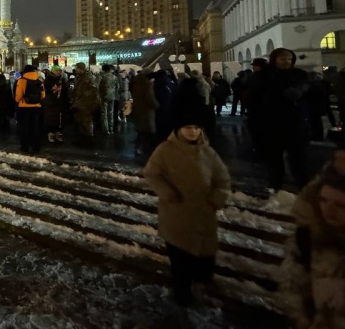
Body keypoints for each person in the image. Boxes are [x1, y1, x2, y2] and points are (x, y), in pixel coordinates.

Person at [143, 108, 231, 309]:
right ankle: (182, 293)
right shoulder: (166, 150)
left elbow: (223, 179)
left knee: (205, 254)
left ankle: (202, 281)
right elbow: (152, 173)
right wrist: (167, 193)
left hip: (204, 213)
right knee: (180, 259)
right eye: (188, 128)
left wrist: (217, 199)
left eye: (196, 128)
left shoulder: (208, 152)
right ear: (179, 129)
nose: (192, 132)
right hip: (176, 214)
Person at [280, 161, 345, 328]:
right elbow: (295, 289)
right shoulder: (308, 238)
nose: (328, 210)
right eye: (323, 200)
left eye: (340, 205)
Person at [248, 48, 310, 190]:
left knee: (299, 160)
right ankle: (275, 187)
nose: (286, 62)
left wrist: (301, 91)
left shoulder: (299, 75)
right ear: (274, 59)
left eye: (289, 59)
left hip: (296, 125)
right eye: (283, 58)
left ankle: (304, 189)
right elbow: (255, 102)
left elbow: (309, 97)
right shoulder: (263, 77)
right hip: (271, 125)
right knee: (274, 161)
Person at [15, 65, 44, 154]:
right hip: (36, 107)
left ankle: (25, 147)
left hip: (24, 108)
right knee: (35, 127)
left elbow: (18, 96)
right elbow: (43, 95)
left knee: (25, 128)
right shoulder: (40, 80)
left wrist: (18, 101)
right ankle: (36, 147)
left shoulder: (21, 80)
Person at [131, 69, 158, 156]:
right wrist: (156, 105)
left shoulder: (135, 81)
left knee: (141, 130)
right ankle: (145, 149)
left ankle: (138, 147)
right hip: (146, 110)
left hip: (137, 108)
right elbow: (149, 98)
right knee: (147, 131)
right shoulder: (147, 84)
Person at [71, 63, 100, 143]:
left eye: (77, 68)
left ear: (81, 68)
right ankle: (83, 137)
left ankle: (89, 137)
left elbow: (94, 90)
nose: (76, 69)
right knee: (80, 120)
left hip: (87, 103)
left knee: (86, 120)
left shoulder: (89, 77)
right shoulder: (79, 76)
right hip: (79, 103)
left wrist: (84, 94)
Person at [43, 65, 66, 142]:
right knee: (50, 118)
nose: (58, 72)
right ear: (52, 71)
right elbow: (44, 90)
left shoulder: (62, 79)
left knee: (58, 119)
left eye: (59, 71)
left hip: (59, 102)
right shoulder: (48, 79)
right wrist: (51, 90)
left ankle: (58, 133)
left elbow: (65, 90)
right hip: (50, 102)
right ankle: (50, 134)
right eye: (56, 70)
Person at [98, 64, 119, 135]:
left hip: (103, 97)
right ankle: (111, 128)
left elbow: (96, 85)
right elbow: (117, 87)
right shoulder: (114, 77)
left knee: (104, 114)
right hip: (112, 96)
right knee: (111, 113)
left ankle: (106, 130)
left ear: (103, 69)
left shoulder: (102, 76)